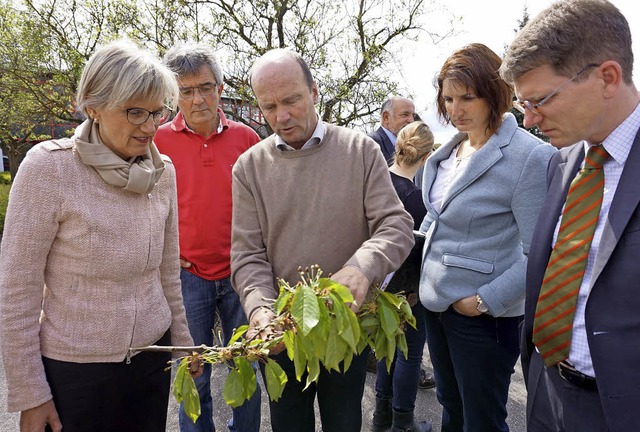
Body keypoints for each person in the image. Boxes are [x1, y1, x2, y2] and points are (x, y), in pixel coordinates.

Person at [0, 40, 194, 432]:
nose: (149, 126)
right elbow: (16, 290)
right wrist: (31, 393)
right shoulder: (49, 170)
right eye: (135, 111)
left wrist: (184, 342)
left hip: (152, 359)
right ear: (93, 106)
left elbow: (167, 271)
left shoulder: (164, 173)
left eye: (157, 112)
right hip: (76, 373)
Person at [230, 48, 415, 432]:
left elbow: (396, 225)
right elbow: (248, 256)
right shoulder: (248, 168)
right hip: (283, 336)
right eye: (269, 106)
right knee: (288, 423)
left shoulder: (359, 150)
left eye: (292, 100)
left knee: (344, 421)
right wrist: (260, 311)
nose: (282, 116)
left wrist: (362, 267)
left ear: (314, 92)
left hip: (345, 329)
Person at [500, 1, 640, 431]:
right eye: (524, 103)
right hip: (547, 391)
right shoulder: (561, 163)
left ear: (608, 78)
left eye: (540, 100)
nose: (530, 118)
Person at [418, 43, 556, 432]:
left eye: (468, 97)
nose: (455, 110)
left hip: (482, 317)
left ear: (496, 92)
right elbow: (435, 219)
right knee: (450, 405)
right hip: (435, 306)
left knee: (482, 419)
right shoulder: (447, 152)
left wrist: (482, 301)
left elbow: (540, 254)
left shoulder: (529, 156)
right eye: (448, 99)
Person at [155, 42, 262, 432]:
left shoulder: (247, 139)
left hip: (240, 274)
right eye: (186, 90)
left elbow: (264, 204)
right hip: (188, 277)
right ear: (174, 95)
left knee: (245, 368)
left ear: (220, 87)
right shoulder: (157, 142)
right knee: (191, 371)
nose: (197, 99)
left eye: (205, 87)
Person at [372, 121, 434, 432]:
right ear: (426, 157)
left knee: (386, 350)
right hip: (407, 290)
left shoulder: (376, 182)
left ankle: (380, 416)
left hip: (374, 285)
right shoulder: (418, 199)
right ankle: (402, 421)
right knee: (409, 355)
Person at [368, 96, 416, 163]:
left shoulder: (412, 147)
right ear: (386, 117)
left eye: (413, 116)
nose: (411, 120)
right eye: (405, 114)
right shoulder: (371, 143)